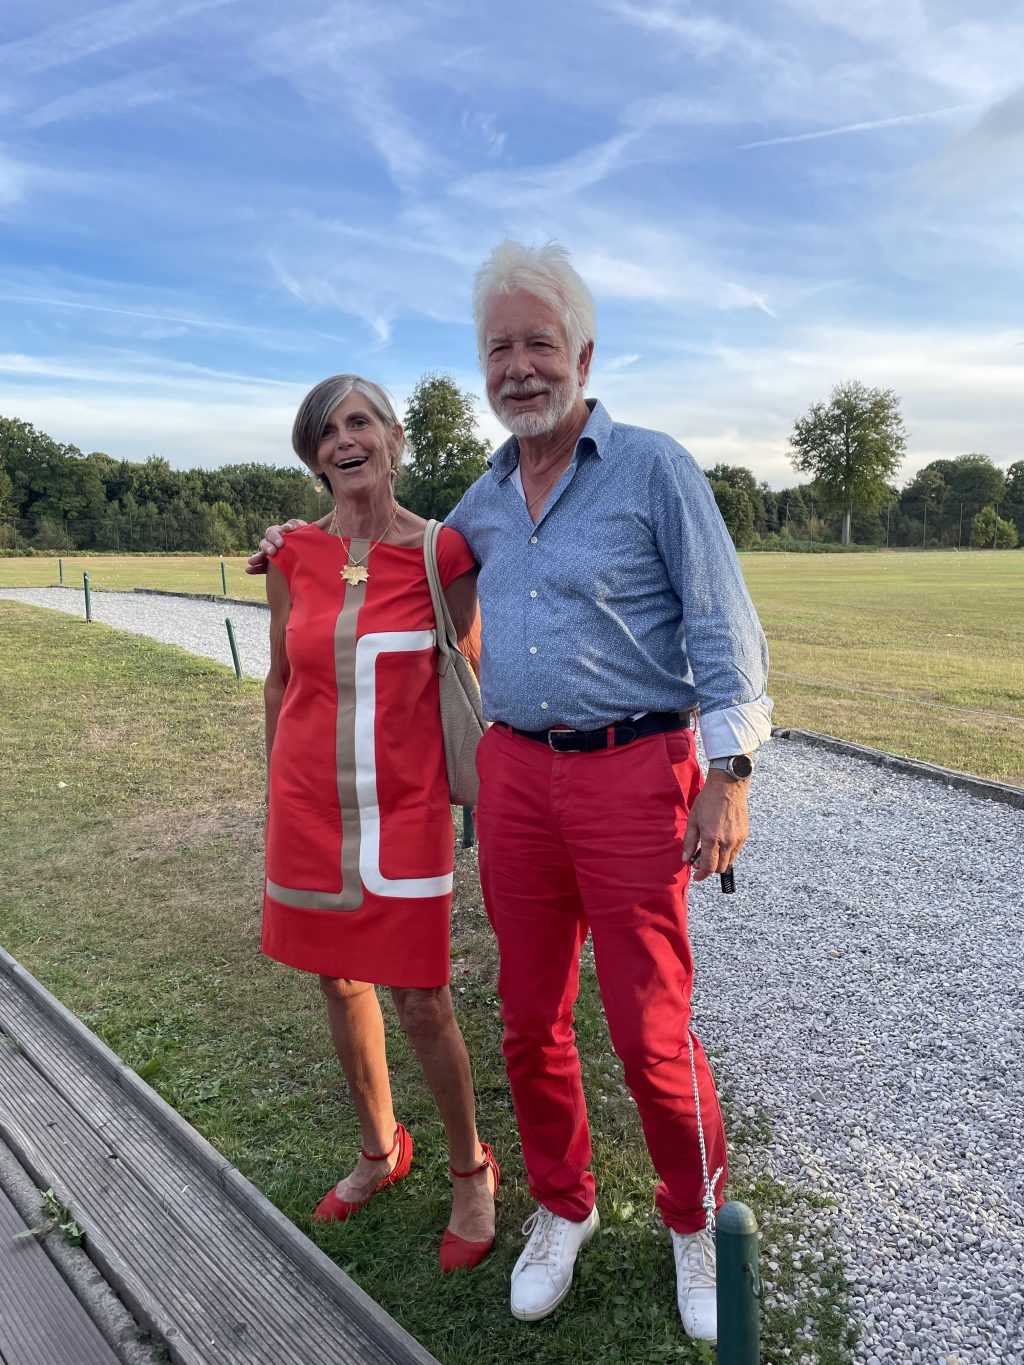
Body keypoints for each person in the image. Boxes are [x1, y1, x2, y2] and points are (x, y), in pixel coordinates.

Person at [250, 244, 772, 1342]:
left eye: (540, 343)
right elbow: (373, 555)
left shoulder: (654, 468)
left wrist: (729, 775)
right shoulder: (476, 509)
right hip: (517, 777)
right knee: (531, 1021)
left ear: (583, 354)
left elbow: (726, 627)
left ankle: (691, 1217)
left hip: (636, 767)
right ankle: (564, 1205)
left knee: (649, 1027)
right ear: (483, 367)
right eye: (500, 349)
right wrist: (288, 543)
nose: (520, 367)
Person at [262, 373, 498, 1274]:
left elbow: (469, 672)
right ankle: (380, 1146)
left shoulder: (443, 552)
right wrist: (275, 792)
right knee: (335, 978)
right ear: (314, 457)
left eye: (359, 422)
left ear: (395, 438)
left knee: (422, 996)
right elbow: (280, 682)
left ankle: (470, 1167)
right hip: (310, 804)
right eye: (326, 433)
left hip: (405, 809)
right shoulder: (291, 555)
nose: (344, 441)